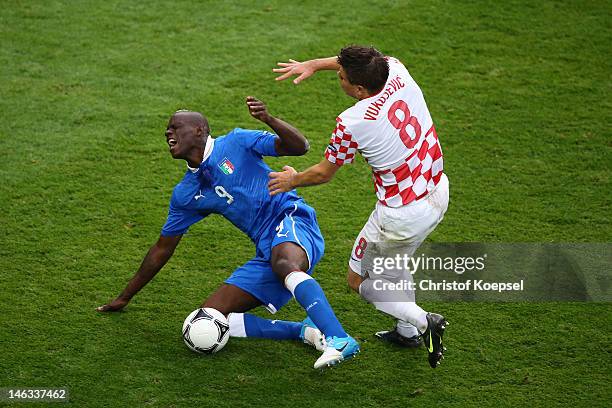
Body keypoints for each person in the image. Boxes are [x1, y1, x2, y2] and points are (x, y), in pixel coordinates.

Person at [97, 96, 359, 369]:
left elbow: (299, 147)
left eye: (175, 128)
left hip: (292, 218)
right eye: (167, 131)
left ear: (199, 130)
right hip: (266, 248)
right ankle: (306, 332)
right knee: (211, 318)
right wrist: (126, 296)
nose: (168, 133)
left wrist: (268, 119)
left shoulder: (236, 141)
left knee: (284, 263)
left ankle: (338, 338)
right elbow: (162, 248)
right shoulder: (186, 194)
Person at [269, 46, 449, 368]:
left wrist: (293, 180)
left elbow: (325, 172)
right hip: (437, 189)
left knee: (358, 281)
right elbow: (362, 61)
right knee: (398, 258)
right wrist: (313, 64)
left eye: (340, 77)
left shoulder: (351, 122)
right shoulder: (396, 68)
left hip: (400, 214)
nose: (337, 78)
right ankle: (407, 331)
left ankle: (423, 322)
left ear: (359, 89)